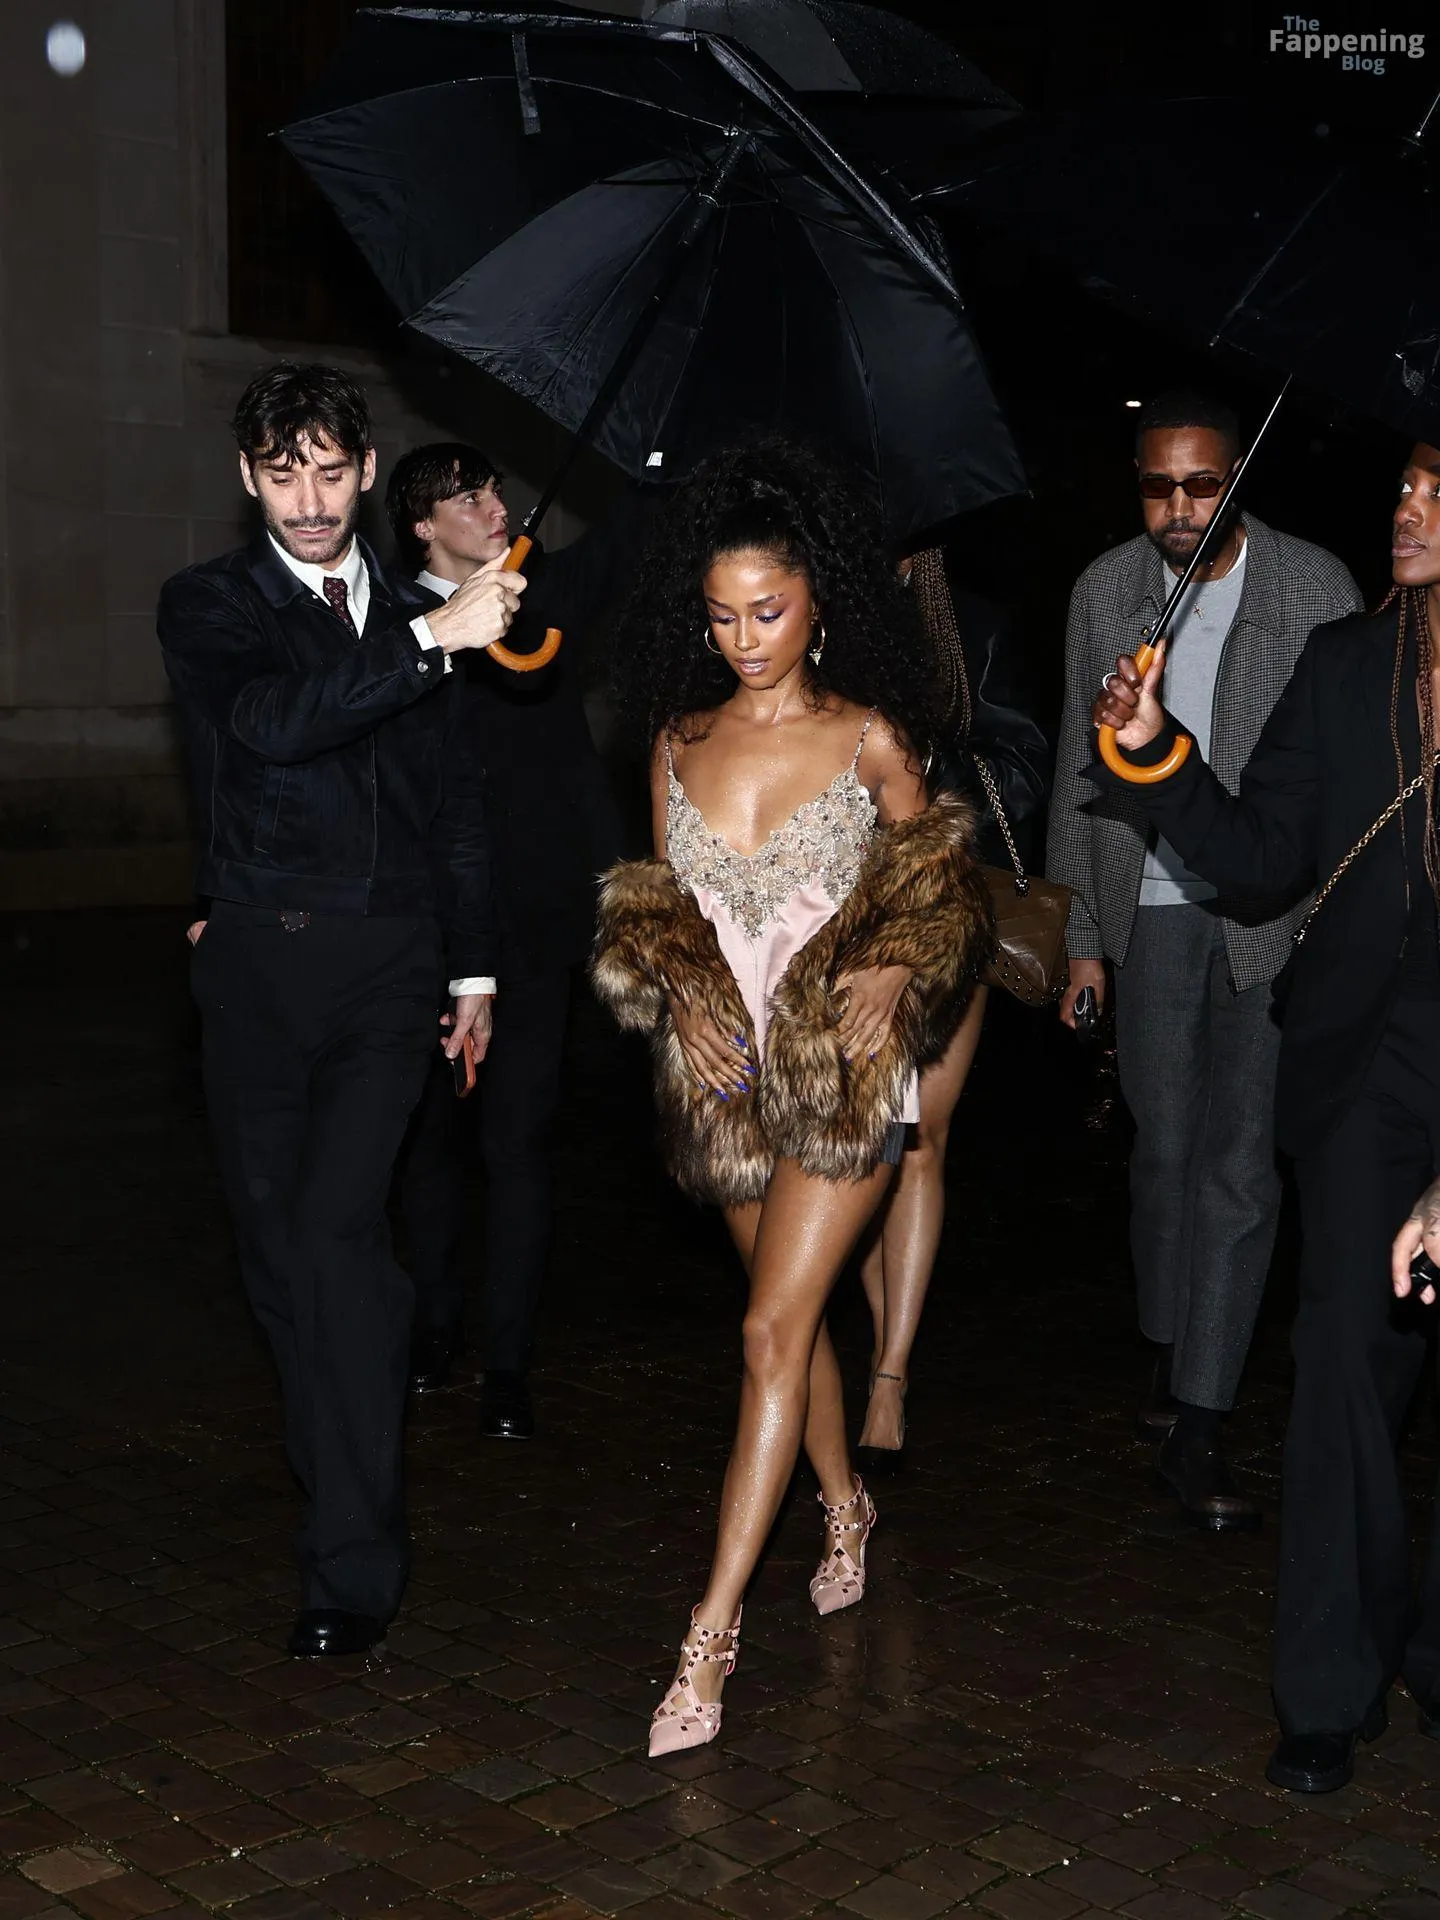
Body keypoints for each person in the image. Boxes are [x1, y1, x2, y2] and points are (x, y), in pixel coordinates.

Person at [591, 440, 990, 1755]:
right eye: (720, 616)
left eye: (766, 611)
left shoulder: (869, 738)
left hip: (839, 1078)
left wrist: (900, 959)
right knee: (793, 1324)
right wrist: (680, 990)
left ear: (819, 603)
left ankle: (707, 1642)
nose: (744, 638)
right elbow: (658, 911)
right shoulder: (678, 741)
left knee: (767, 1329)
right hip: (725, 1087)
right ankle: (844, 1506)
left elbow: (941, 888)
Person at [1091, 437, 1440, 1794]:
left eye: (1437, 490)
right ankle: (1329, 1687)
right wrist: (1153, 754)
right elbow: (1254, 864)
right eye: (1403, 483)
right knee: (1348, 1365)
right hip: (1365, 1071)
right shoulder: (1349, 666)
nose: (1406, 508)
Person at [159, 364, 522, 1657]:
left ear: (368, 472)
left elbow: (457, 807)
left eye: (329, 473)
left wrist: (472, 972)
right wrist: (430, 640)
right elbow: (271, 725)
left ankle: (351, 1560)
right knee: (280, 1266)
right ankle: (342, 1472)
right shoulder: (213, 603)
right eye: (282, 476)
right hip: (259, 963)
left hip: (387, 968)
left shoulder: (433, 616)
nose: (309, 503)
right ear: (246, 479)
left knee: (336, 1239)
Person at [1048, 389, 1361, 1528]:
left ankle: (1200, 1418)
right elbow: (1077, 772)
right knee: (1163, 1150)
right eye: (1157, 486)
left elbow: (1344, 778)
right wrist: (1084, 941)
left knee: (1239, 1164)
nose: (1179, 507)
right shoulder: (1104, 589)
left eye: (1202, 484)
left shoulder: (1313, 587)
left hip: (1273, 917)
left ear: (1237, 480)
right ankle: (1171, 1341)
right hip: (1148, 906)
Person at [386, 444, 634, 1441]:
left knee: (519, 1140)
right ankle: (434, 1325)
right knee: (430, 1143)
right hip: (427, 928)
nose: (494, 505)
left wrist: (659, 461)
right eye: (468, 496)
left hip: (533, 921)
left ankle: (508, 1362)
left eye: (495, 488)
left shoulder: (539, 601)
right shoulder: (391, 627)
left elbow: (625, 543)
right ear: (422, 525)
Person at [854, 549, 1049, 1465]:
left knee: (920, 1138)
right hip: (836, 913)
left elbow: (1027, 764)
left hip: (943, 905)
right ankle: (876, 1332)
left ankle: (890, 1374)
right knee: (862, 1139)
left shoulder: (968, 618)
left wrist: (928, 768)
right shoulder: (804, 610)